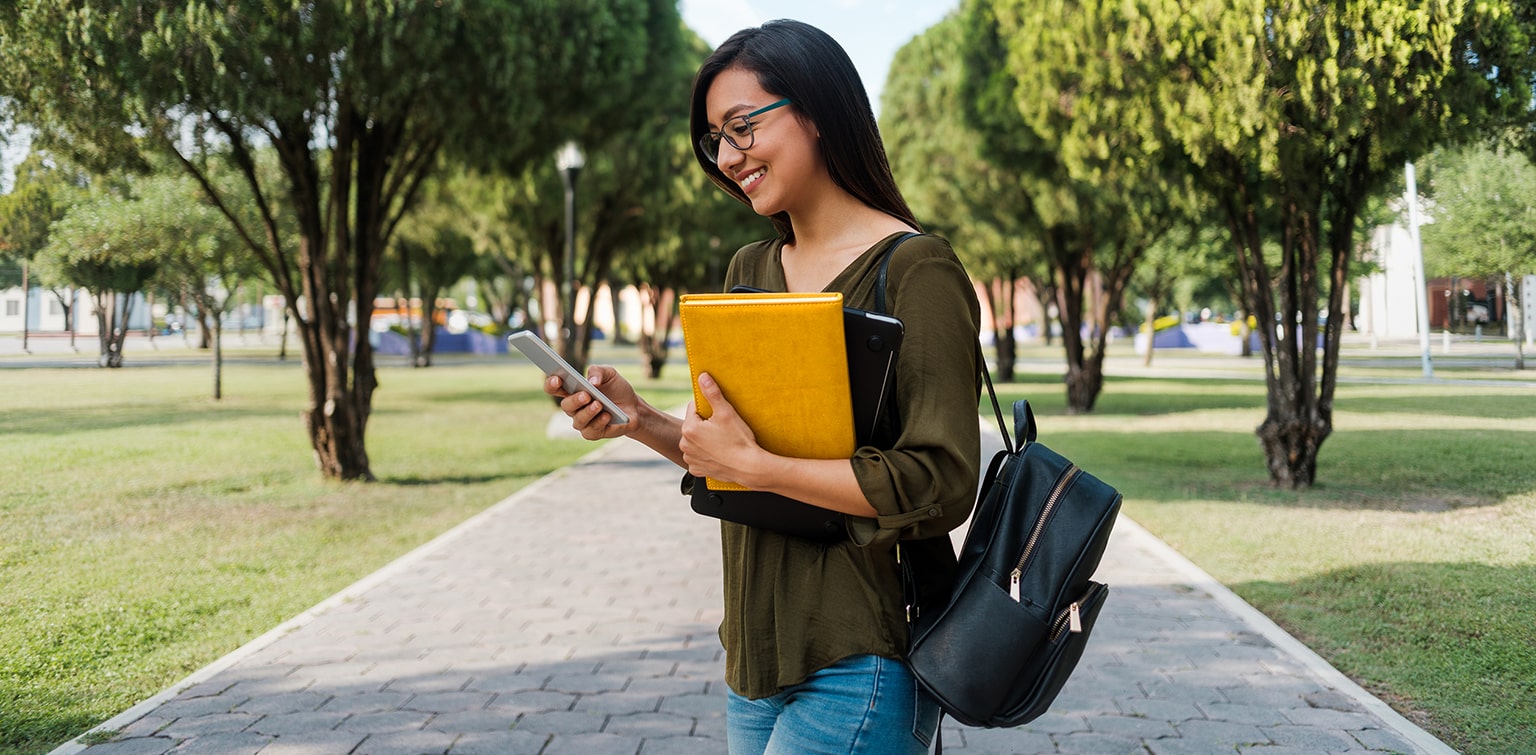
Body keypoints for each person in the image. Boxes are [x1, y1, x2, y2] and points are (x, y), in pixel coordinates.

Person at [546, 19, 982, 755]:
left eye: (742, 126)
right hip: (751, 657)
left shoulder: (916, 270)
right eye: (715, 138)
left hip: (860, 654)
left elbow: (943, 479)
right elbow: (730, 456)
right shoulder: (749, 271)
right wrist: (638, 419)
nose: (727, 155)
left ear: (815, 109)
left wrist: (759, 466)